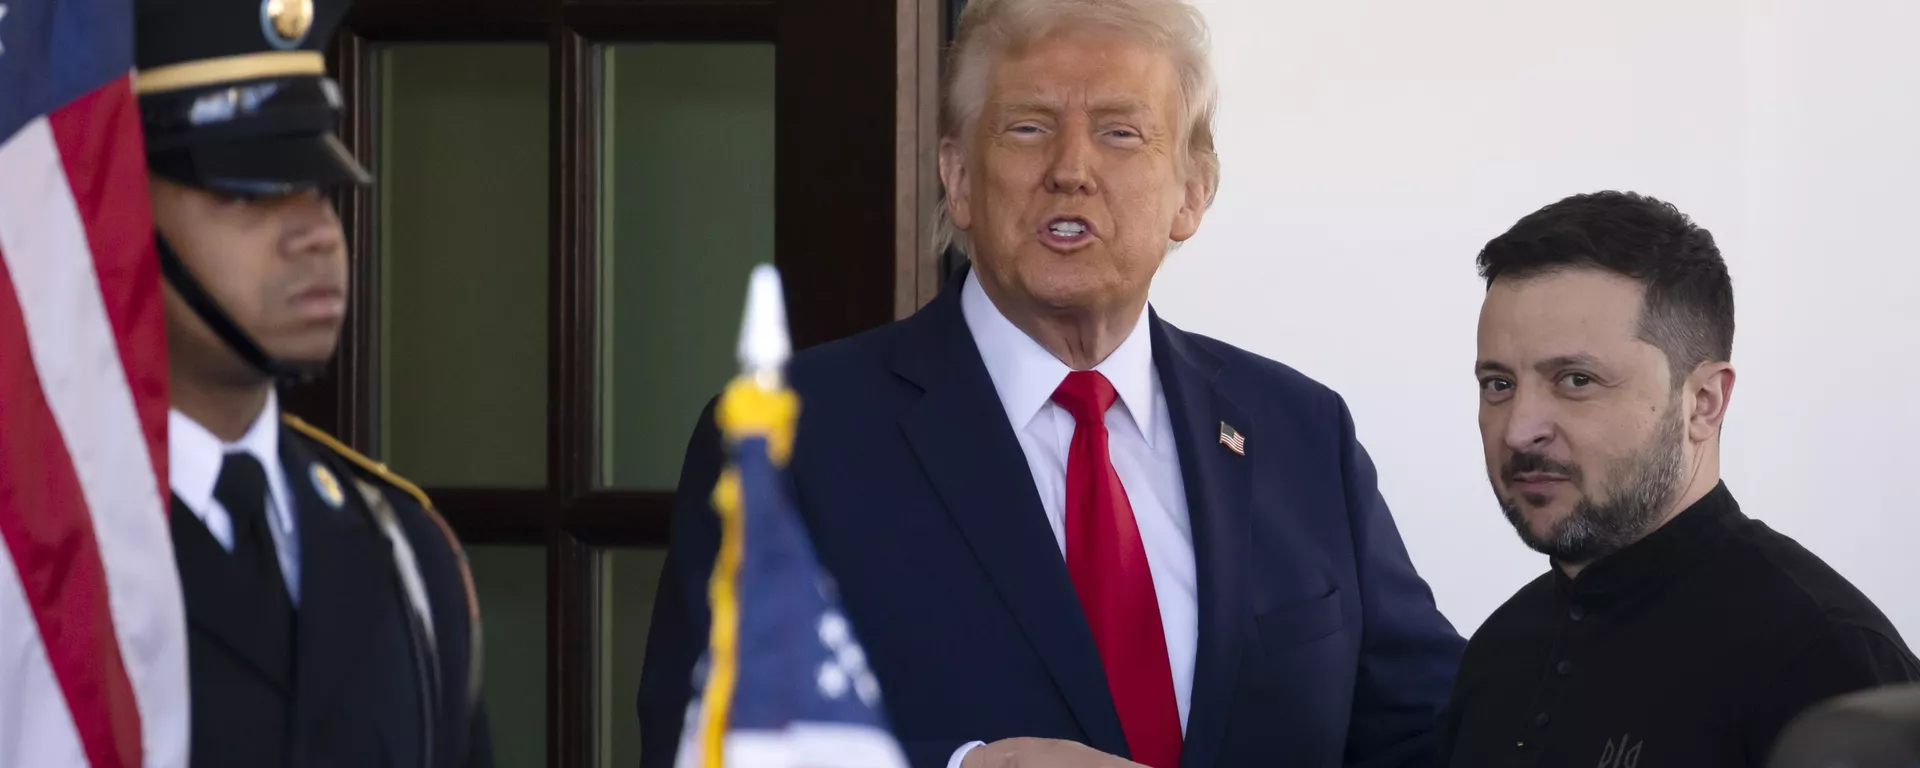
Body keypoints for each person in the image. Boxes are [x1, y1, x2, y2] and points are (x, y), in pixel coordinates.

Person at [638, 0, 1464, 766]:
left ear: (1192, 192)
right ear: (958, 179)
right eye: (1029, 128)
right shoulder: (794, 441)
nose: (1071, 169)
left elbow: (1433, 734)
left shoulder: (1299, 432)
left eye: (1120, 133)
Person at [1440, 191, 1919, 766]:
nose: (1519, 430)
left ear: (1703, 403)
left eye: (1575, 380)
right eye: (1498, 384)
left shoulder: (1826, 663)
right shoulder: (1498, 651)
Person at [136, 0, 493, 763]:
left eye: (318, 188)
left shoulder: (406, 549)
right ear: (119, 215)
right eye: (248, 192)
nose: (317, 232)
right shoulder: (38, 544)